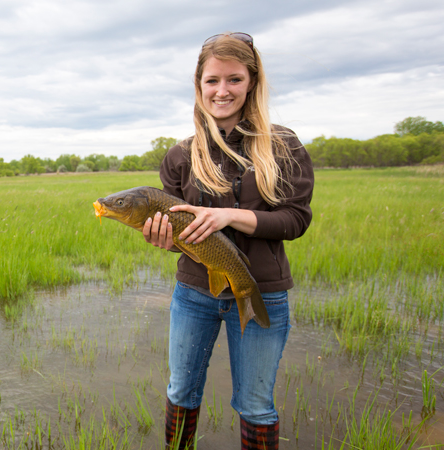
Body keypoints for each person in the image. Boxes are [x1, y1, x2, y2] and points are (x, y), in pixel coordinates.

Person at [143, 32, 314, 449]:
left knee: (255, 405)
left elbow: (296, 219)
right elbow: (182, 228)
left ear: (252, 82)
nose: (222, 91)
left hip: (261, 290)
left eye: (234, 79)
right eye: (212, 81)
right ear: (199, 86)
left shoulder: (283, 144)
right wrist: (164, 238)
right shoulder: (180, 155)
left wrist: (231, 215)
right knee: (181, 391)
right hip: (194, 292)